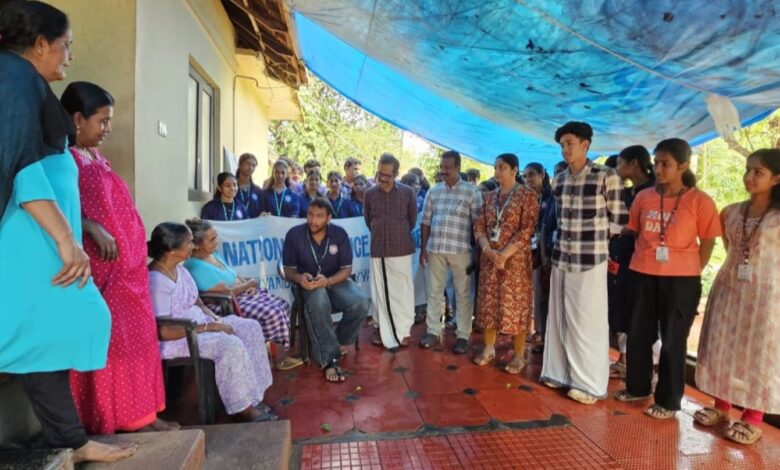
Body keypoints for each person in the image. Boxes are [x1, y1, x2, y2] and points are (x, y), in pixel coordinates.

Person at [0, 1, 135, 462]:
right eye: (65, 46)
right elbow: (21, 167)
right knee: (64, 318)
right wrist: (64, 238)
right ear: (40, 45)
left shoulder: (25, 81)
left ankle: (68, 441)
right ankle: (71, 440)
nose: (69, 56)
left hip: (38, 235)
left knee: (49, 333)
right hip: (30, 237)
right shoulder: (16, 79)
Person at [62, 81, 174, 434]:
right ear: (77, 120)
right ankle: (121, 417)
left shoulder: (96, 157)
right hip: (102, 273)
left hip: (129, 273)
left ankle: (144, 414)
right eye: (103, 121)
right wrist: (89, 225)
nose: (108, 128)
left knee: (139, 340)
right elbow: (52, 206)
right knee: (114, 344)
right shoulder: (63, 160)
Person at [614, 138, 720, 420]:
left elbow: (708, 242)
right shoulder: (644, 197)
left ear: (683, 166)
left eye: (666, 164)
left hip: (681, 280)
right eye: (656, 163)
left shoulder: (700, 201)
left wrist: (691, 269)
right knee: (638, 333)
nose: (658, 169)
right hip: (642, 274)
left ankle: (669, 401)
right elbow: (635, 231)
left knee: (673, 340)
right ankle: (637, 387)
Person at [147, 223, 277, 422]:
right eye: (189, 243)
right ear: (172, 250)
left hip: (201, 324)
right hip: (181, 338)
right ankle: (243, 407)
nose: (193, 247)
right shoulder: (157, 280)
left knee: (250, 328)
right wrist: (210, 327)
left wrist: (215, 319)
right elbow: (163, 331)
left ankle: (254, 395)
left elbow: (197, 300)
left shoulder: (180, 270)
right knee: (229, 344)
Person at [693, 148, 780, 445]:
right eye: (748, 170)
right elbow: (730, 248)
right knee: (722, 346)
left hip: (767, 296)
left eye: (758, 172)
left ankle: (753, 417)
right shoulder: (729, 212)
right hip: (729, 289)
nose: (749, 177)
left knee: (760, 354)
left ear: (777, 178)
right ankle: (721, 406)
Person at [540, 121, 628, 405]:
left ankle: (588, 384)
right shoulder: (560, 180)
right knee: (560, 317)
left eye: (570, 143)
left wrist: (595, 239)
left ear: (585, 145)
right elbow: (559, 220)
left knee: (588, 321)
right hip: (562, 256)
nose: (565, 149)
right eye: (562, 145)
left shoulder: (606, 176)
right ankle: (558, 373)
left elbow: (619, 221)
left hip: (590, 258)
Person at [183, 218, 301, 370]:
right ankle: (259, 351)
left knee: (281, 304)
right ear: (197, 244)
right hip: (223, 303)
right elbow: (226, 291)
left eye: (216, 237)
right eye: (211, 239)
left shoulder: (213, 255)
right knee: (271, 312)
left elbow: (233, 275)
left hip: (240, 294)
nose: (216, 242)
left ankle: (263, 349)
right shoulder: (195, 266)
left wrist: (247, 284)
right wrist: (250, 284)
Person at [282, 199, 371, 382]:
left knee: (362, 301)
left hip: (334, 281)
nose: (313, 220)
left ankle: (337, 342)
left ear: (329, 218)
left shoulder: (339, 234)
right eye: (310, 214)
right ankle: (329, 360)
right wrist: (299, 278)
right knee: (319, 298)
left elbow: (346, 269)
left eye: (319, 216)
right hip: (308, 285)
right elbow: (288, 270)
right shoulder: (294, 234)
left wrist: (328, 281)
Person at [473, 154, 538, 373]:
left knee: (516, 306)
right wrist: (488, 251)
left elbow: (527, 229)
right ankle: (489, 348)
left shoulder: (527, 196)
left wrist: (504, 255)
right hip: (489, 258)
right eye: (495, 168)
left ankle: (519, 355)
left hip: (515, 261)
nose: (497, 172)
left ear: (514, 170)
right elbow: (479, 226)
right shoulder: (489, 197)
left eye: (502, 167)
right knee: (488, 303)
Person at [419, 151, 483, 354]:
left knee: (463, 293)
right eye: (442, 167)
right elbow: (425, 222)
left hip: (461, 251)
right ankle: (432, 331)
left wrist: (478, 251)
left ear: (458, 168)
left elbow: (479, 224)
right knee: (434, 291)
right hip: (435, 249)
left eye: (448, 167)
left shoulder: (471, 192)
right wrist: (423, 249)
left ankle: (463, 335)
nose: (443, 171)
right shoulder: (433, 192)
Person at [609, 146, 657, 379]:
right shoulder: (627, 193)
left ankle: (649, 368)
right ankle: (624, 360)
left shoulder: (654, 192)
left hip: (645, 261)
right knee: (621, 307)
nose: (617, 169)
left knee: (642, 313)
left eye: (620, 163)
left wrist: (621, 230)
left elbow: (642, 228)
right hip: (621, 256)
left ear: (634, 163)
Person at [364, 153, 418, 349]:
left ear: (395, 174)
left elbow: (412, 220)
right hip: (378, 249)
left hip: (401, 248)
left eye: (387, 175)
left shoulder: (407, 193)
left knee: (402, 292)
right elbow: (368, 220)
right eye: (380, 174)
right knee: (378, 291)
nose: (383, 178)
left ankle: (403, 331)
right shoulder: (370, 194)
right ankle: (380, 328)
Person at [522, 162, 556, 354]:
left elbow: (546, 227)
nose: (528, 179)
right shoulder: (522, 196)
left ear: (542, 175)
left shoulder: (551, 198)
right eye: (525, 176)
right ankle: (529, 329)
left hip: (542, 251)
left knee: (541, 292)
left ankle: (542, 333)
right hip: (522, 249)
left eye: (532, 175)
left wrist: (543, 253)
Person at [235, 153, 265, 218]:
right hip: (234, 224)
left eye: (253, 165)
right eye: (248, 164)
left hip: (253, 224)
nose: (251, 167)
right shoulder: (230, 188)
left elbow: (262, 212)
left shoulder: (258, 191)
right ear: (240, 165)